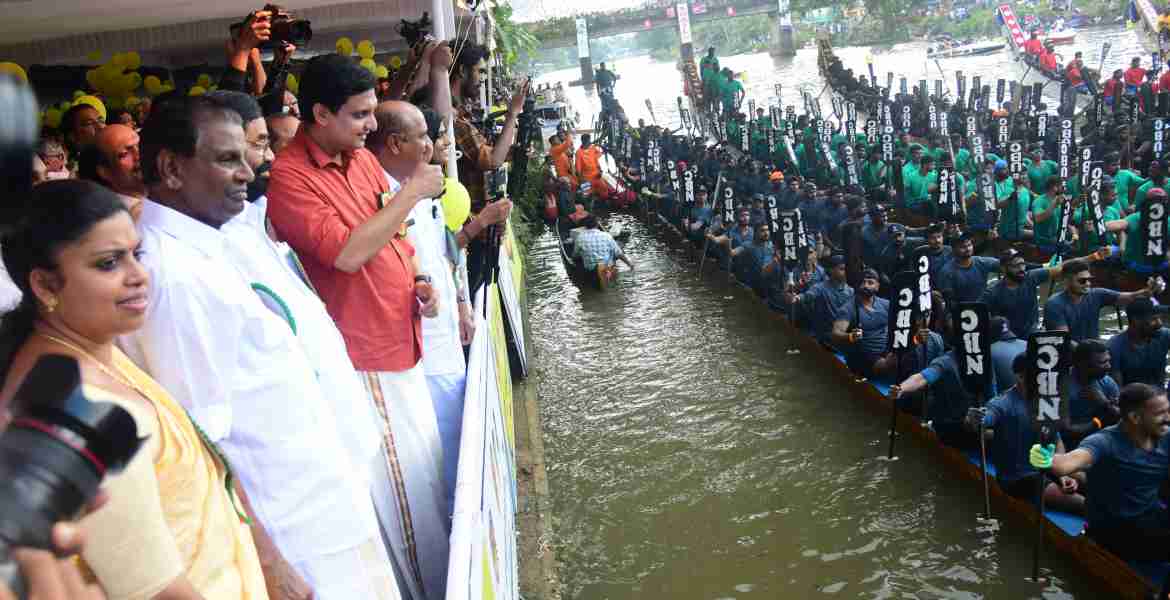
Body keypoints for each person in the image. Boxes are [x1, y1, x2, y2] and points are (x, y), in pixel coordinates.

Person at [124, 93, 399, 600]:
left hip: (321, 514)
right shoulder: (170, 276)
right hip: (294, 540)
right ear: (171, 168)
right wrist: (273, 569)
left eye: (246, 157)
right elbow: (206, 444)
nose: (247, 173)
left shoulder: (210, 242)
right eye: (227, 159)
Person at [0, 180, 269, 599]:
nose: (139, 276)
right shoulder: (70, 410)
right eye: (109, 263)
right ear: (46, 286)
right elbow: (154, 591)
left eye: (136, 254)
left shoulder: (92, 351)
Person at [264, 55, 449, 600]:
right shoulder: (289, 179)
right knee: (405, 496)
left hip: (403, 337)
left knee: (426, 475)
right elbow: (347, 254)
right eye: (361, 114)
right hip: (365, 355)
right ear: (320, 113)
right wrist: (413, 190)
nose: (372, 125)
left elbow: (394, 230)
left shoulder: (360, 159)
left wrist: (418, 276)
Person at [370, 100, 473, 514]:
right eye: (424, 138)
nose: (432, 147)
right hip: (422, 351)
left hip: (446, 335)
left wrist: (461, 304)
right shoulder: (385, 197)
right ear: (395, 144)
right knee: (440, 449)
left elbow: (439, 259)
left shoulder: (426, 190)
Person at [1030, 383, 1170, 561]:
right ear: (1135, 417)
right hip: (1113, 528)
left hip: (1149, 513)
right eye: (1160, 414)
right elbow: (1067, 463)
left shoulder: (1166, 437)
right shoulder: (1104, 442)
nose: (1168, 418)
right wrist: (1047, 460)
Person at [965, 354, 1084, 512]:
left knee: (1084, 478)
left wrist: (1063, 473)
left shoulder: (1046, 401)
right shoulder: (1002, 403)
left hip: (1047, 466)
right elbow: (982, 420)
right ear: (1021, 377)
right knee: (1082, 504)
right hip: (1018, 479)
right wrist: (972, 419)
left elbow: (1056, 440)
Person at [450, 42, 528, 209]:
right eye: (480, 71)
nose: (483, 79)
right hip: (470, 218)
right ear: (463, 71)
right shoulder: (455, 120)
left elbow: (487, 150)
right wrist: (512, 113)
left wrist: (515, 151)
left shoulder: (462, 113)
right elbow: (493, 160)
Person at [982, 247, 1106, 338]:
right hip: (1007, 339)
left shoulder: (1031, 277)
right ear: (1003, 268)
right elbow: (977, 316)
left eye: (1023, 264)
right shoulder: (992, 293)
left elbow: (1063, 267)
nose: (1021, 269)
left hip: (1032, 336)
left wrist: (1093, 257)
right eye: (1016, 266)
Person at [1043, 261, 1158, 341]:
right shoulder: (1054, 304)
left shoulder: (1096, 294)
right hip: (1069, 357)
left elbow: (1128, 297)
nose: (1088, 284)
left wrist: (1148, 290)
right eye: (1082, 281)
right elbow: (1064, 340)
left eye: (1089, 280)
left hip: (1093, 353)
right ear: (1067, 281)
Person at [830, 268, 892, 378]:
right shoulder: (848, 308)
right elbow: (835, 334)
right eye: (863, 282)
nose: (866, 285)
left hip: (885, 351)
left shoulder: (886, 304)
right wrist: (850, 336)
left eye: (870, 283)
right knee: (889, 365)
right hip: (862, 358)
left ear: (877, 286)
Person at [77, 124, 146, 220]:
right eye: (124, 154)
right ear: (104, 172)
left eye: (140, 145)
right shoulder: (126, 218)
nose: (139, 155)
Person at [1062, 339, 1121, 449]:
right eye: (1102, 362)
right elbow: (1066, 430)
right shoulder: (1061, 386)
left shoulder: (1107, 381)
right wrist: (1099, 422)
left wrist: (1104, 402)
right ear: (1082, 364)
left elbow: (1123, 416)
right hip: (1071, 445)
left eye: (1108, 361)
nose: (1109, 366)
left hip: (1104, 439)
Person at [785, 254, 853, 345]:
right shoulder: (820, 288)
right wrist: (796, 298)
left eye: (846, 269)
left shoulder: (850, 291)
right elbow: (807, 296)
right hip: (826, 338)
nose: (845, 272)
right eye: (841, 269)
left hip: (843, 335)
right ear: (832, 270)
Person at [1108, 298, 1170, 387]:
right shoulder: (1114, 347)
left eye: (1160, 318)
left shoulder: (1164, 335)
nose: (1159, 323)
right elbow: (1118, 391)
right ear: (1136, 320)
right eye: (1153, 319)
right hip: (1133, 398)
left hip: (1160, 395)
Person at [936, 233, 999, 303]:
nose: (968, 249)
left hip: (982, 305)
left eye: (969, 245)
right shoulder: (947, 271)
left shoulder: (981, 262)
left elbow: (1002, 264)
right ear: (953, 250)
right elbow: (948, 299)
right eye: (963, 247)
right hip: (961, 309)